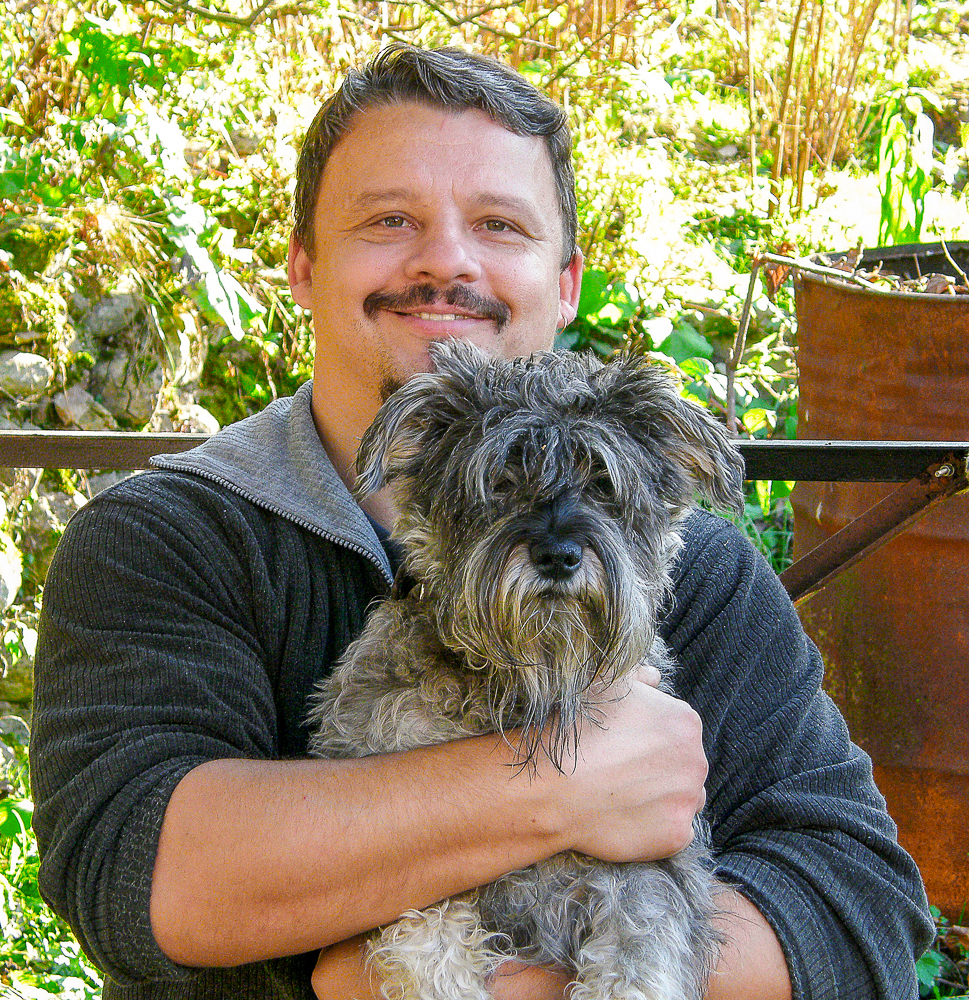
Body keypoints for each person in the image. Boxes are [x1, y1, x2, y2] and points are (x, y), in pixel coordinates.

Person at [30, 44, 933, 1000]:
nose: (446, 261)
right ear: (303, 266)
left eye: (499, 225)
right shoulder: (164, 537)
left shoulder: (698, 568)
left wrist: (518, 986)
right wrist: (562, 784)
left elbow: (863, 905)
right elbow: (133, 875)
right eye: (390, 219)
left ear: (566, 279)